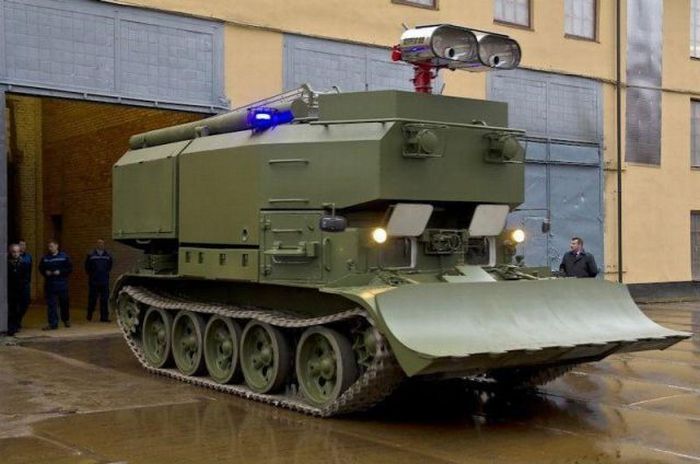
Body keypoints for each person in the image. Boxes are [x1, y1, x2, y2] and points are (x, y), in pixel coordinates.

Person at [39, 240, 73, 330]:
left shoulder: (64, 257)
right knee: (51, 305)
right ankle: (53, 323)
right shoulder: (45, 258)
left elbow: (70, 268)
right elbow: (41, 268)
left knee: (64, 303)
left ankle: (66, 319)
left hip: (62, 284)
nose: (50, 248)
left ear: (57, 246)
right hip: (50, 284)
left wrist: (60, 272)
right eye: (49, 247)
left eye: (52, 246)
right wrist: (45, 272)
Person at [85, 239, 113, 322]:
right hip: (94, 281)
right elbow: (87, 267)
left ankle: (104, 317)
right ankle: (89, 315)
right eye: (99, 243)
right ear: (96, 244)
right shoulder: (91, 255)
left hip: (104, 281)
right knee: (92, 299)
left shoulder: (108, 255)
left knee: (104, 300)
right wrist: (92, 275)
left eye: (102, 243)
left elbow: (109, 266)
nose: (101, 244)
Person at [7, 244, 31, 336]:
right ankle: (12, 327)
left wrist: (25, 285)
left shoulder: (24, 263)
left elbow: (27, 276)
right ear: (10, 252)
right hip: (12, 289)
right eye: (14, 252)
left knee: (24, 305)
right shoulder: (7, 263)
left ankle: (17, 321)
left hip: (22, 288)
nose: (16, 254)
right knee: (12, 308)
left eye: (18, 252)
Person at [17, 240, 32, 329]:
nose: (22, 246)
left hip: (25, 283)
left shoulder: (28, 257)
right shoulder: (12, 256)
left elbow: (30, 269)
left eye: (24, 245)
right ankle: (15, 322)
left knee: (26, 302)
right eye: (21, 245)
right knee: (16, 304)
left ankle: (18, 319)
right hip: (15, 284)